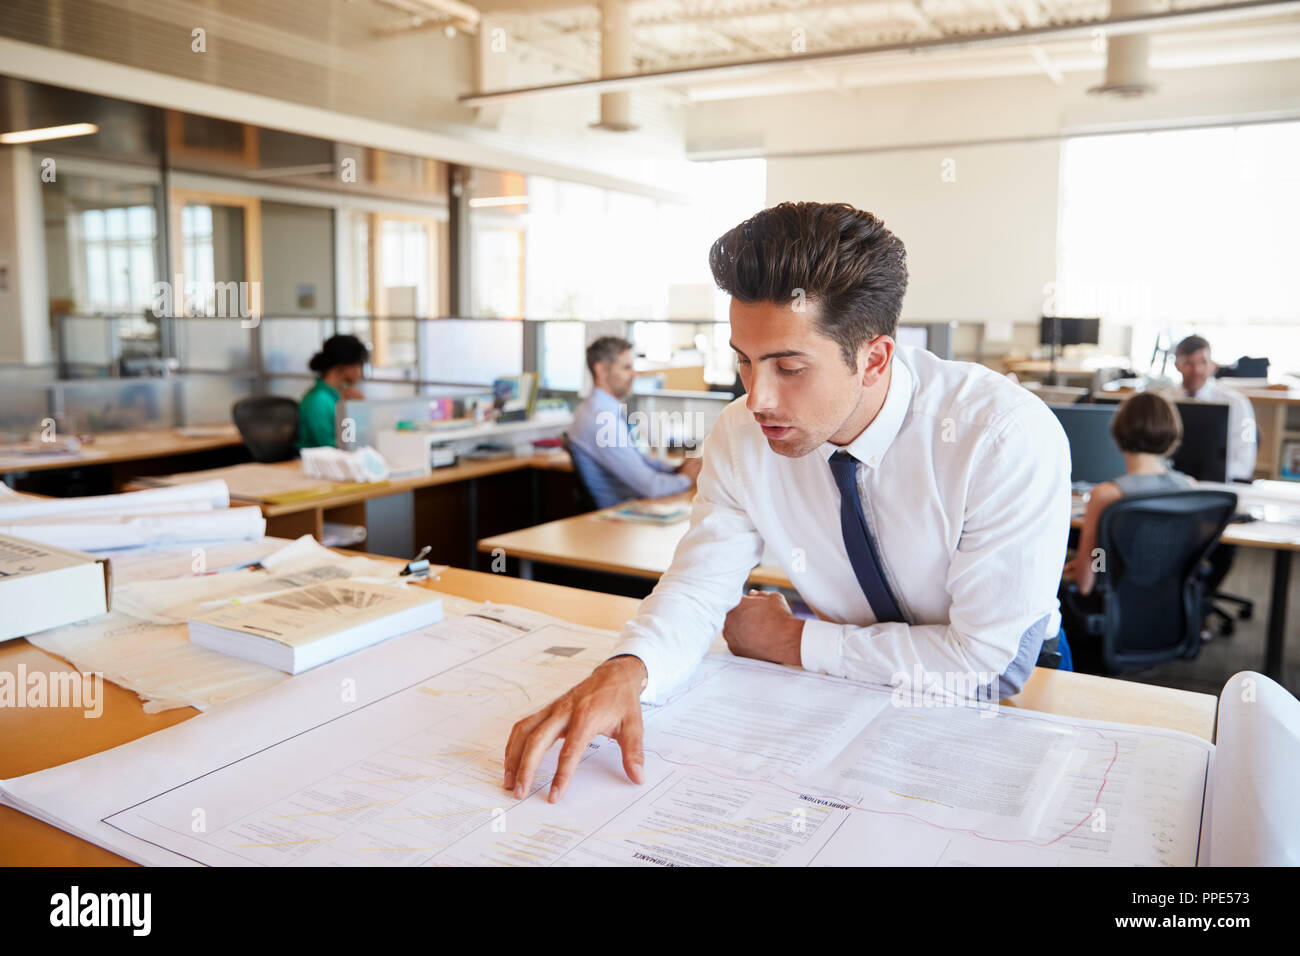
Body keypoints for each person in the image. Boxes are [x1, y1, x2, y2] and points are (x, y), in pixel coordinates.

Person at [502, 201, 1073, 804]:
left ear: (874, 358)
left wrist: (793, 642)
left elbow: (990, 667)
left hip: (1004, 700)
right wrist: (629, 668)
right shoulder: (741, 435)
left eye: (789, 367)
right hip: (848, 684)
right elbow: (698, 590)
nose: (758, 399)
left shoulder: (1001, 436)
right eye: (744, 363)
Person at [1060, 392, 1194, 672]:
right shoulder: (1188, 488)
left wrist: (1075, 569)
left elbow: (1089, 577)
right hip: (1165, 612)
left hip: (1112, 613)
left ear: (1119, 434)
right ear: (1172, 434)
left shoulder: (1106, 495)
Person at [567, 336, 703, 509]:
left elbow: (640, 460)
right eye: (626, 368)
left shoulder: (603, 410)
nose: (634, 375)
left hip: (631, 508)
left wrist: (674, 469)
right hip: (619, 518)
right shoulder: (600, 420)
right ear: (601, 370)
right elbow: (649, 486)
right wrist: (686, 479)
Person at [1158, 335, 1257, 482]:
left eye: (1203, 362)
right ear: (1177, 366)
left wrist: (1212, 475)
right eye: (1188, 363)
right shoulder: (1163, 401)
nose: (1196, 370)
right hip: (1171, 482)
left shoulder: (1238, 403)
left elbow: (1245, 463)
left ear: (1213, 365)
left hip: (1220, 482)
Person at [298, 334, 368, 449]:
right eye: (358, 364)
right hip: (313, 463)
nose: (359, 371)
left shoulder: (339, 396)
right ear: (343, 364)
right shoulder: (318, 400)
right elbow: (329, 445)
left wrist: (358, 407)